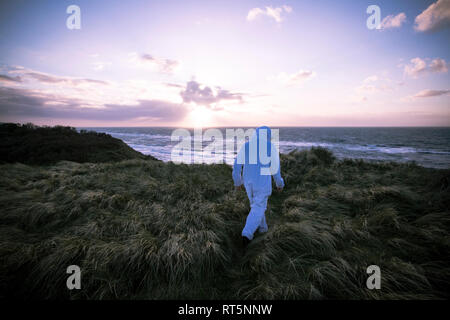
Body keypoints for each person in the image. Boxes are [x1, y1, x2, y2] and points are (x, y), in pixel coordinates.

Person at [232, 126, 285, 248]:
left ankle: (263, 229)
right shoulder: (270, 147)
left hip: (248, 182)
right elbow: (275, 169)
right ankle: (247, 235)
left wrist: (237, 182)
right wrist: (279, 183)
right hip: (262, 183)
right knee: (258, 208)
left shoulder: (246, 146)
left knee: (256, 206)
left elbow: (236, 166)